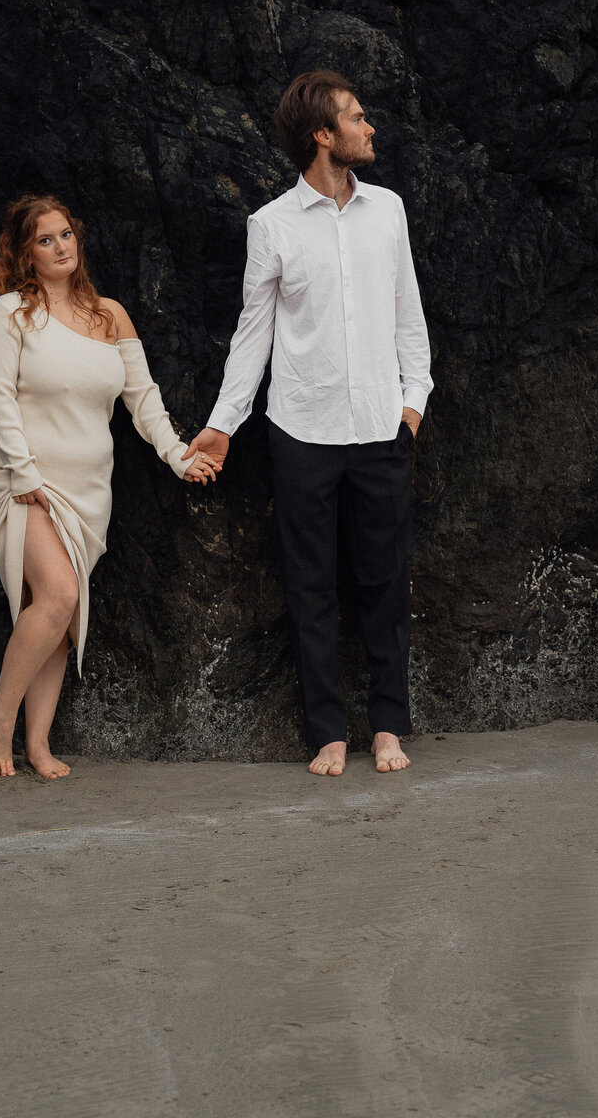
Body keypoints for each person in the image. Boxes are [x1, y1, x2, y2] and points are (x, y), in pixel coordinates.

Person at [185, 70, 432, 776]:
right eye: (356, 118)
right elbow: (252, 335)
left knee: (385, 583)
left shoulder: (388, 211)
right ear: (323, 135)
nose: (369, 128)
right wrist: (223, 424)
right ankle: (327, 731)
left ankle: (387, 727)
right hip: (301, 435)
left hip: (383, 430)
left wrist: (412, 407)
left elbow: (408, 318)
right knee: (311, 586)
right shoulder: (271, 227)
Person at [0, 194, 218, 779]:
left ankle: (37, 745)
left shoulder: (110, 315)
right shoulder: (9, 313)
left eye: (66, 235)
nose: (61, 247)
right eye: (45, 240)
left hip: (90, 492)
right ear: (25, 253)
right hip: (26, 482)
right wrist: (25, 472)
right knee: (58, 595)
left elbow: (143, 401)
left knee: (57, 616)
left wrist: (178, 457)